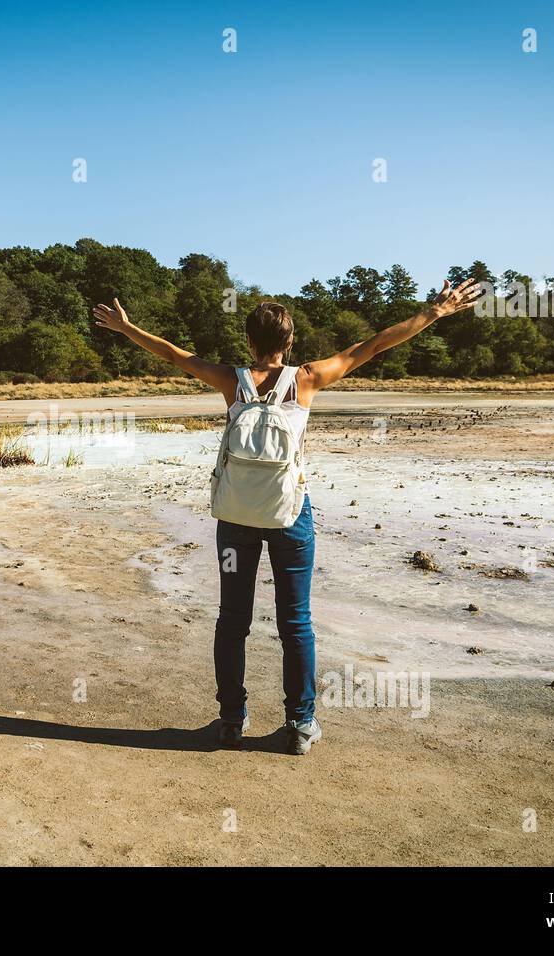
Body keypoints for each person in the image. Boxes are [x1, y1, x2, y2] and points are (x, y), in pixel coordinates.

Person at [92, 279, 484, 753]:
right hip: (290, 515)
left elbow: (174, 354)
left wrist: (127, 328)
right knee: (295, 622)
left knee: (231, 620)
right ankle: (300, 724)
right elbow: (374, 345)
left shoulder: (229, 380)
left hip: (237, 516)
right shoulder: (309, 378)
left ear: (250, 341)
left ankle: (231, 720)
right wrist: (434, 313)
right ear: (290, 342)